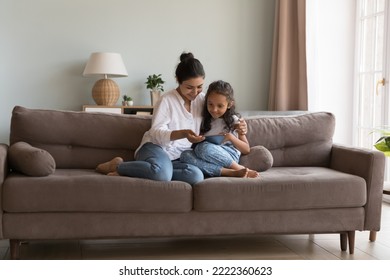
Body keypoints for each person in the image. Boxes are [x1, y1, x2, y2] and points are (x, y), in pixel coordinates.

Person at [96, 52, 248, 185]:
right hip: (156, 147)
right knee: (161, 174)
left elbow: (221, 114)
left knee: (196, 176)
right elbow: (156, 132)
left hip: (181, 156)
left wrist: (241, 127)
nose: (195, 92)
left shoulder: (203, 100)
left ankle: (152, 169)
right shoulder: (166, 100)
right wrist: (182, 133)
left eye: (200, 86)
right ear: (178, 80)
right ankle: (118, 166)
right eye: (189, 87)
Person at [180, 80, 259, 178]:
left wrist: (231, 137)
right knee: (185, 155)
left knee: (203, 148)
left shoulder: (234, 121)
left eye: (220, 106)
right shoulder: (204, 120)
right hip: (207, 155)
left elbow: (246, 149)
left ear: (229, 104)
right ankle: (228, 172)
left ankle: (238, 168)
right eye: (210, 104)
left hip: (229, 156)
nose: (214, 109)